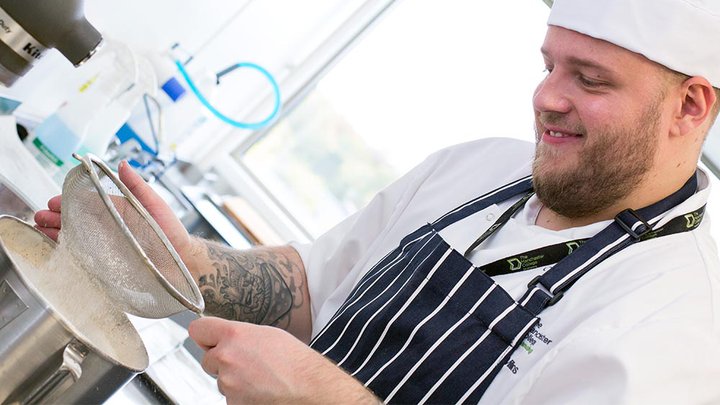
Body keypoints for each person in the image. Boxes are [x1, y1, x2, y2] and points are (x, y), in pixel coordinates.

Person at [35, 0, 720, 403]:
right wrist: (183, 263)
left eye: (590, 79)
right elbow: (308, 288)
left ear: (689, 106)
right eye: (550, 66)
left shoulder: (678, 335)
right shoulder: (480, 167)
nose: (547, 97)